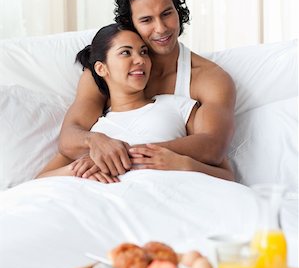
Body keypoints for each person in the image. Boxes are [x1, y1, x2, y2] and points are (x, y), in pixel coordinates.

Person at [58, 0, 236, 179]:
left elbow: (213, 147)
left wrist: (127, 155)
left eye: (167, 14)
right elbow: (69, 138)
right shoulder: (106, 73)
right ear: (130, 24)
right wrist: (95, 141)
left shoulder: (209, 79)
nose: (160, 29)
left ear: (179, 12)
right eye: (146, 20)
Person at [37, 25, 233, 182]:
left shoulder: (179, 107)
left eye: (144, 52)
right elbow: (39, 181)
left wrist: (183, 164)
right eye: (126, 53)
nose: (140, 60)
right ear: (101, 68)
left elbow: (227, 176)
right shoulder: (97, 129)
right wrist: (78, 170)